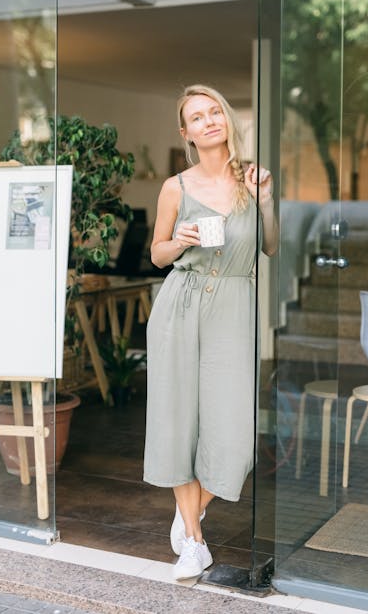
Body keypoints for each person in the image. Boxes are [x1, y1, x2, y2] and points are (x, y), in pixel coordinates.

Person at [143, 84, 278, 580]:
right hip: (181, 305)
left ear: (226, 120)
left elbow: (269, 245)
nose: (208, 120)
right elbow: (156, 254)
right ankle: (194, 545)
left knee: (235, 436)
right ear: (187, 134)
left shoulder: (252, 178)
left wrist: (264, 201)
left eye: (213, 111)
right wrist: (177, 240)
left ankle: (189, 513)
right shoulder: (175, 187)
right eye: (196, 117)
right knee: (179, 422)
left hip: (232, 310)